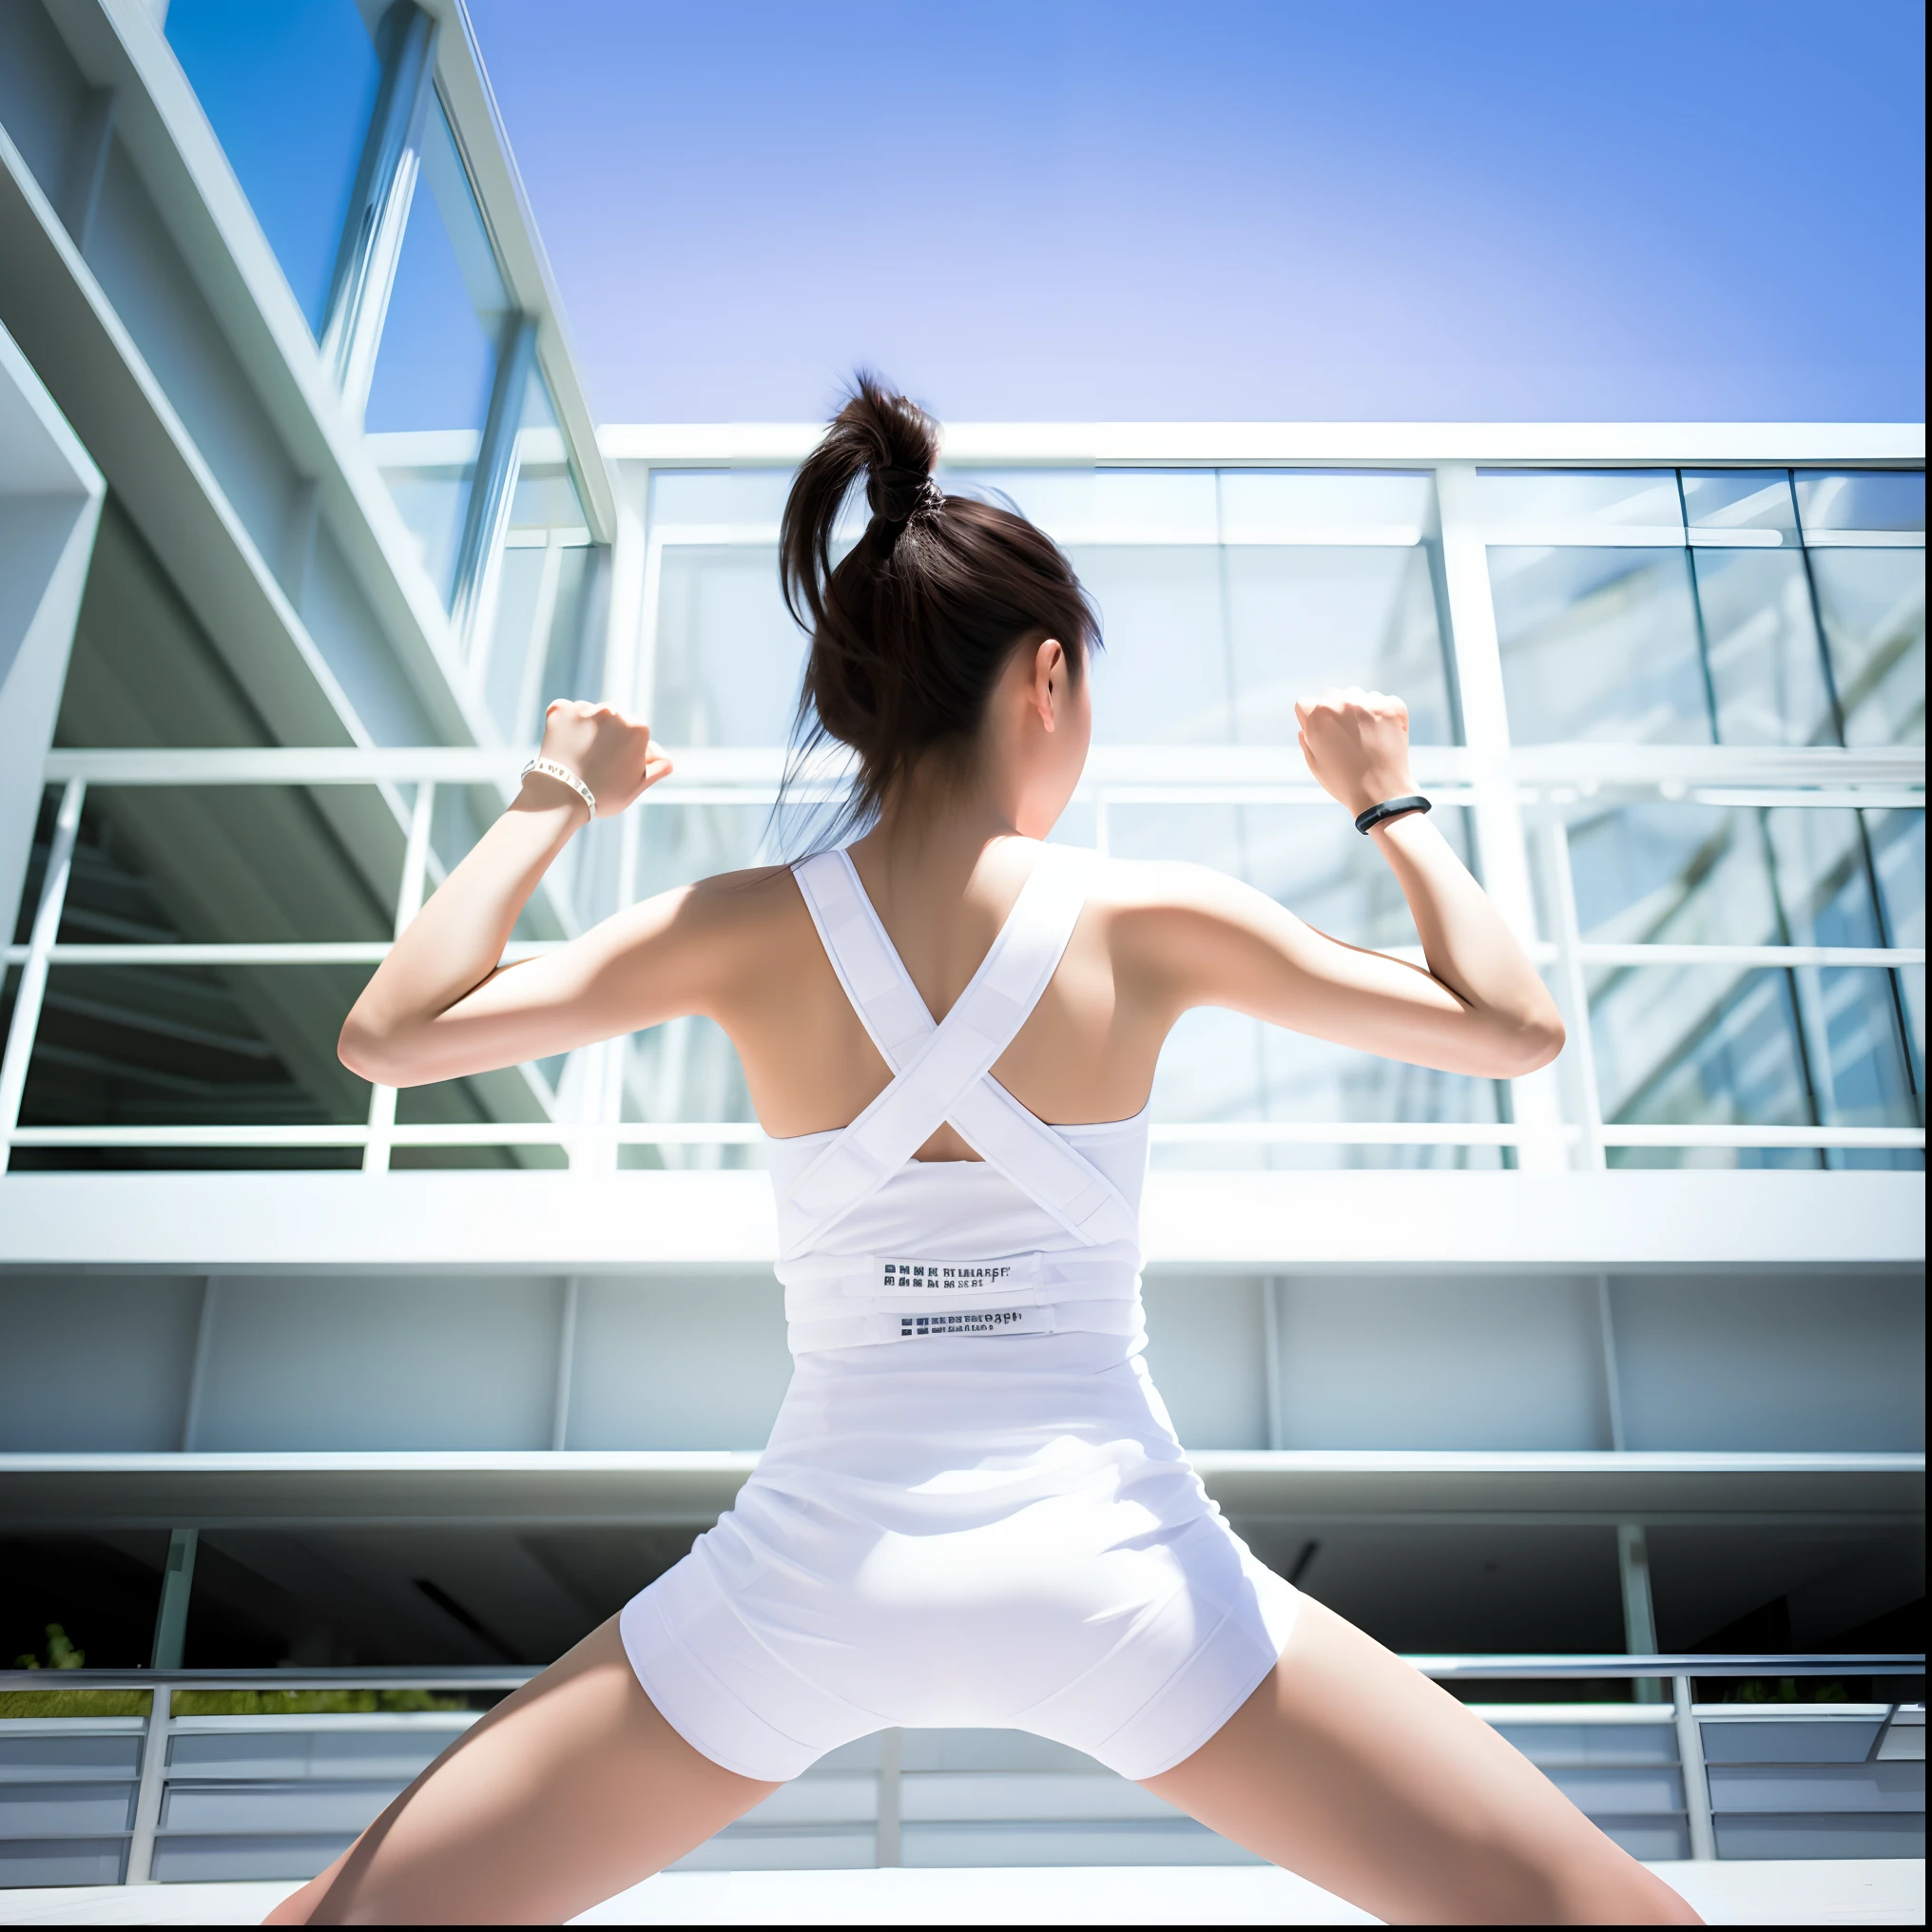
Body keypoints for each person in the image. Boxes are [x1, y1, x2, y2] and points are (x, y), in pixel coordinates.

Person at [275, 377, 1700, 1925]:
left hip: (807, 1572)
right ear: (1045, 675)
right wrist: (1385, 800)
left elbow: (392, 1035)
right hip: (1121, 1565)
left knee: (341, 1920)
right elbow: (1514, 1026)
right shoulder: (1158, 917)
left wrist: (559, 796)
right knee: (1602, 1915)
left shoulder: (737, 928)